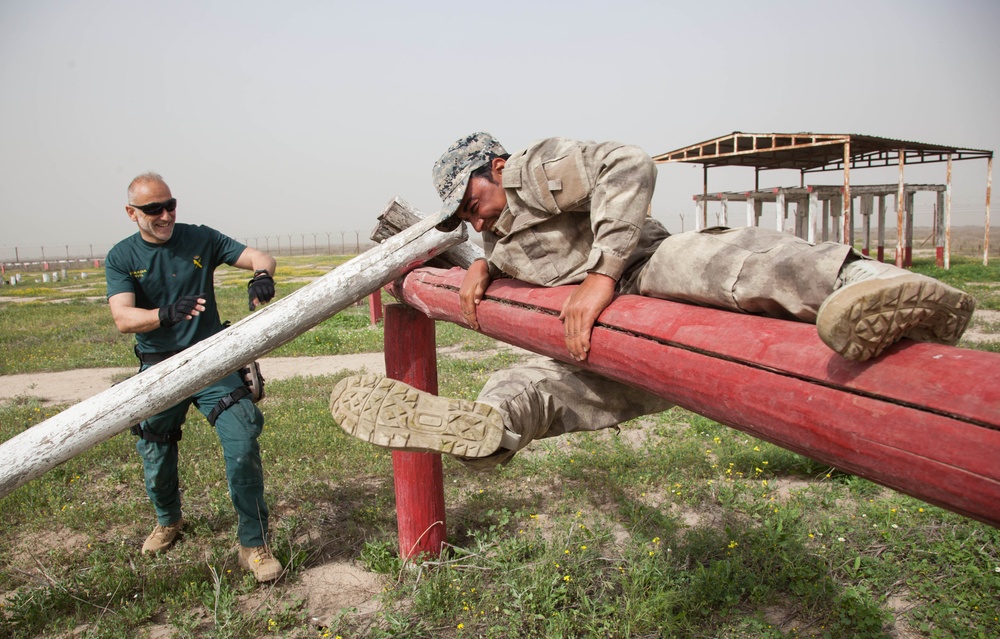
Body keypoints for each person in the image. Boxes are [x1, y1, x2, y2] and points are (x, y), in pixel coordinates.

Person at [330, 133, 975, 470]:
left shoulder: (532, 169)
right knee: (546, 383)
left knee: (731, 264)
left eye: (470, 200)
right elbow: (535, 249)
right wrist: (484, 267)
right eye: (461, 217)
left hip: (641, 264)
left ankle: (865, 284)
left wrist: (605, 274)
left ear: (494, 164)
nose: (471, 217)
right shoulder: (494, 228)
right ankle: (492, 430)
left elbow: (629, 163)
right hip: (602, 319)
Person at [106, 172, 282, 582]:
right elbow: (122, 317)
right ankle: (168, 520)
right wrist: (162, 315)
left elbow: (260, 256)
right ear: (132, 213)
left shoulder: (201, 238)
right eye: (154, 209)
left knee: (242, 440)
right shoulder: (121, 257)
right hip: (159, 369)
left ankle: (253, 545)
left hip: (212, 362)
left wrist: (262, 276)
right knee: (156, 446)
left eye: (171, 205)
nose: (165, 215)